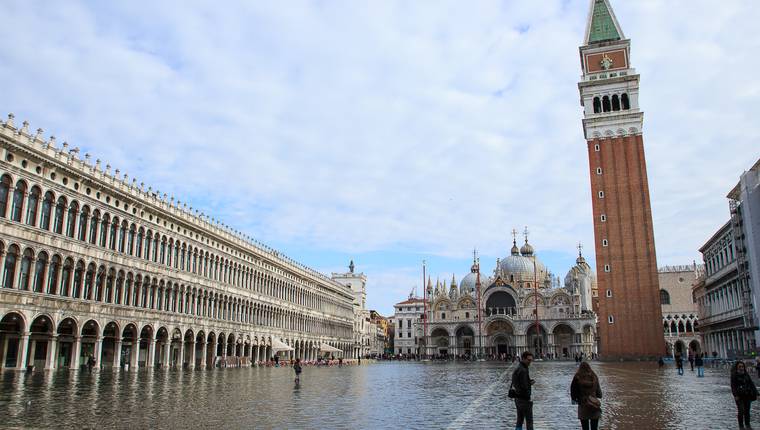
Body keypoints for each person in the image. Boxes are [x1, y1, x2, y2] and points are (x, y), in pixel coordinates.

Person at [571, 361, 603, 430]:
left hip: (583, 404)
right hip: (594, 405)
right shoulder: (594, 377)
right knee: (594, 427)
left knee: (585, 427)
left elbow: (573, 392)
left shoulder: (577, 377)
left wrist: (576, 399)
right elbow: (599, 393)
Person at [511, 351, 535, 430]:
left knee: (520, 420)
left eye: (531, 360)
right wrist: (528, 397)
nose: (530, 362)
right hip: (524, 399)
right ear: (523, 359)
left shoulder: (518, 368)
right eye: (528, 360)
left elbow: (517, 382)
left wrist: (528, 382)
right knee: (529, 422)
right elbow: (524, 386)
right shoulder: (523, 370)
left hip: (517, 398)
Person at [731, 361, 758, 429]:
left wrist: (757, 393)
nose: (741, 368)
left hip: (747, 395)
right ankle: (741, 426)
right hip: (739, 396)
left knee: (747, 411)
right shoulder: (734, 375)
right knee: (741, 410)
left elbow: (751, 384)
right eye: (740, 366)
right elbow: (733, 386)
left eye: (742, 366)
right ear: (737, 367)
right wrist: (735, 395)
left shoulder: (746, 374)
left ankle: (748, 424)